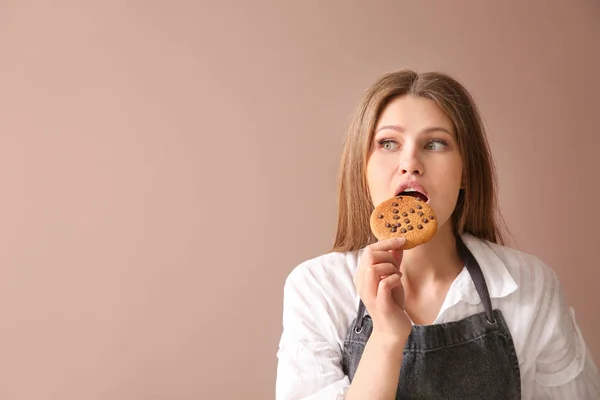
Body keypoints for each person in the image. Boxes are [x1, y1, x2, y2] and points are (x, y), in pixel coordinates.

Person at [275, 69, 600, 399]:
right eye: (388, 143)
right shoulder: (317, 290)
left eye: (435, 143)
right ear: (363, 169)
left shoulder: (531, 286)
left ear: (464, 172)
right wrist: (387, 335)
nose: (410, 163)